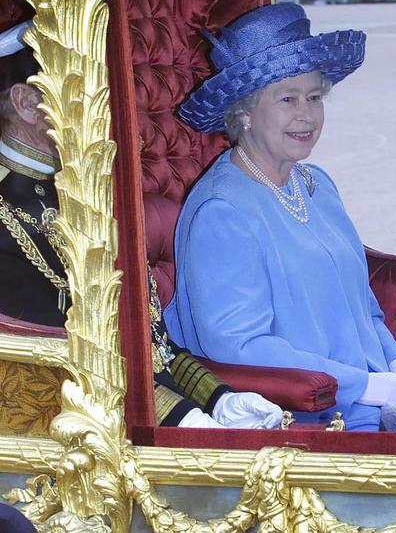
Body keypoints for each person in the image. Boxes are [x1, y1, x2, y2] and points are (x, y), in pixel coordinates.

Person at [164, 3, 396, 432]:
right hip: (307, 419)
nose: (307, 115)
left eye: (315, 97)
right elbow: (239, 346)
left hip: (376, 398)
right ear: (243, 111)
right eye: (287, 99)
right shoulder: (221, 212)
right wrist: (363, 385)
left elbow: (364, 309)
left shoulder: (316, 185)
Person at [0, 21, 283, 430]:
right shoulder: (9, 216)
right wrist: (180, 415)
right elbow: (67, 356)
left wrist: (218, 397)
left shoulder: (91, 193)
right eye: (78, 93)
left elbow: (152, 342)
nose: (100, 109)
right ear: (26, 104)